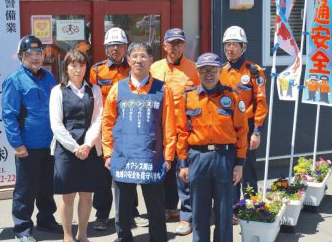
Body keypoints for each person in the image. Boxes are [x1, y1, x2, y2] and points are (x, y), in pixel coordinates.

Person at [102, 42, 181, 242]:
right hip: (123, 158)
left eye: (143, 56)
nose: (139, 60)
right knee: (122, 210)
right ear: (128, 60)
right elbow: (108, 123)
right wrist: (108, 153)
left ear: (151, 60)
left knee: (155, 208)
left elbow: (169, 124)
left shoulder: (162, 89)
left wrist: (169, 155)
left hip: (151, 158)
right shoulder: (117, 89)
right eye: (134, 56)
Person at [179, 52, 249, 242]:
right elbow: (182, 132)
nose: (208, 73)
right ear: (198, 72)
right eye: (203, 70)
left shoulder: (233, 96)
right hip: (198, 159)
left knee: (224, 212)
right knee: (199, 211)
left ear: (220, 70)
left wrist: (239, 163)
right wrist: (183, 163)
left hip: (225, 158)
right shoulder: (188, 97)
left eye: (212, 69)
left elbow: (242, 131)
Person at [2, 35, 62, 242]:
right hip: (27, 145)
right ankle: (22, 228)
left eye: (39, 53)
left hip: (50, 144)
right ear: (21, 57)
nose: (35, 58)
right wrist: (17, 144)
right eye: (30, 54)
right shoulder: (14, 80)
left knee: (47, 186)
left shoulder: (49, 78)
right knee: (26, 189)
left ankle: (46, 219)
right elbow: (9, 115)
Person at [90, 27, 148, 230]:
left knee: (130, 172)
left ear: (126, 47)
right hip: (106, 128)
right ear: (105, 48)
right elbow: (93, 101)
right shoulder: (97, 70)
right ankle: (101, 215)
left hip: (131, 128)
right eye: (111, 45)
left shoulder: (133, 67)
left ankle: (131, 212)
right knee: (104, 175)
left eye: (119, 45)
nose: (115, 48)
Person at [150, 28, 200, 235]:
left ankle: (186, 216)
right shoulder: (154, 68)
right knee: (164, 171)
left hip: (184, 130)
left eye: (179, 43)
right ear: (164, 46)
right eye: (171, 43)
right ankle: (169, 207)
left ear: (184, 46)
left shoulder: (194, 69)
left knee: (183, 173)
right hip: (160, 129)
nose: (175, 47)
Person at [50, 50, 103, 242]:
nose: (77, 69)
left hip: (89, 149)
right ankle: (67, 236)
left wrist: (87, 145)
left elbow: (97, 120)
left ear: (86, 67)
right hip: (66, 150)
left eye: (81, 65)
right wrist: (75, 147)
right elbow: (56, 124)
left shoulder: (94, 90)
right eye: (73, 65)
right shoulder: (58, 91)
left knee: (87, 194)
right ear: (66, 68)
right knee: (68, 195)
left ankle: (83, 234)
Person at [219, 26, 268, 221]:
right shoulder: (220, 71)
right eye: (227, 45)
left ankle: (251, 207)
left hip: (247, 128)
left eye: (234, 45)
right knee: (230, 168)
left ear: (243, 46)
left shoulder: (254, 72)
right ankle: (232, 209)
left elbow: (261, 103)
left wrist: (257, 131)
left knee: (247, 169)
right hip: (227, 129)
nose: (230, 49)